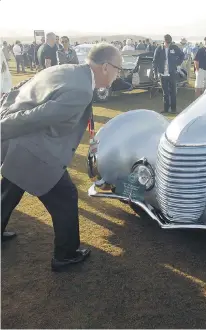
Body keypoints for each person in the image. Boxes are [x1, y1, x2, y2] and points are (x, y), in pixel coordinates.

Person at [1, 43, 122, 271]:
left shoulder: (68, 69)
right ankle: (65, 255)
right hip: (31, 148)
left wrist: (8, 107)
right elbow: (37, 116)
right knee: (65, 197)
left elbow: (24, 85)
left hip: (20, 144)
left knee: (10, 188)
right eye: (118, 69)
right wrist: (3, 126)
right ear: (105, 67)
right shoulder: (82, 90)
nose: (118, 76)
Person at [153, 34, 184, 113]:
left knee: (173, 92)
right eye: (167, 42)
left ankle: (173, 109)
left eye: (169, 42)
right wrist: (155, 73)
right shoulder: (159, 49)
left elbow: (182, 55)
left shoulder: (174, 48)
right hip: (162, 74)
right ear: (164, 41)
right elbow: (155, 61)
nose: (168, 44)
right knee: (165, 92)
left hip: (172, 73)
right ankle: (166, 109)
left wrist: (177, 63)